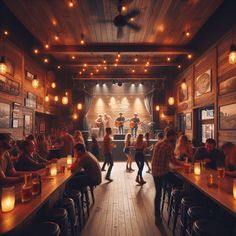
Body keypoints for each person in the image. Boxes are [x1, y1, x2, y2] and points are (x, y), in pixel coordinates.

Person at [151, 129, 183, 225]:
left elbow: (163, 159)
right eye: (174, 137)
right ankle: (175, 201)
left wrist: (169, 166)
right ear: (171, 136)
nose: (175, 139)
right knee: (179, 183)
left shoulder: (159, 143)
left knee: (158, 193)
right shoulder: (168, 146)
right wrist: (184, 164)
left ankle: (157, 215)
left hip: (155, 171)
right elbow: (173, 161)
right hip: (162, 172)